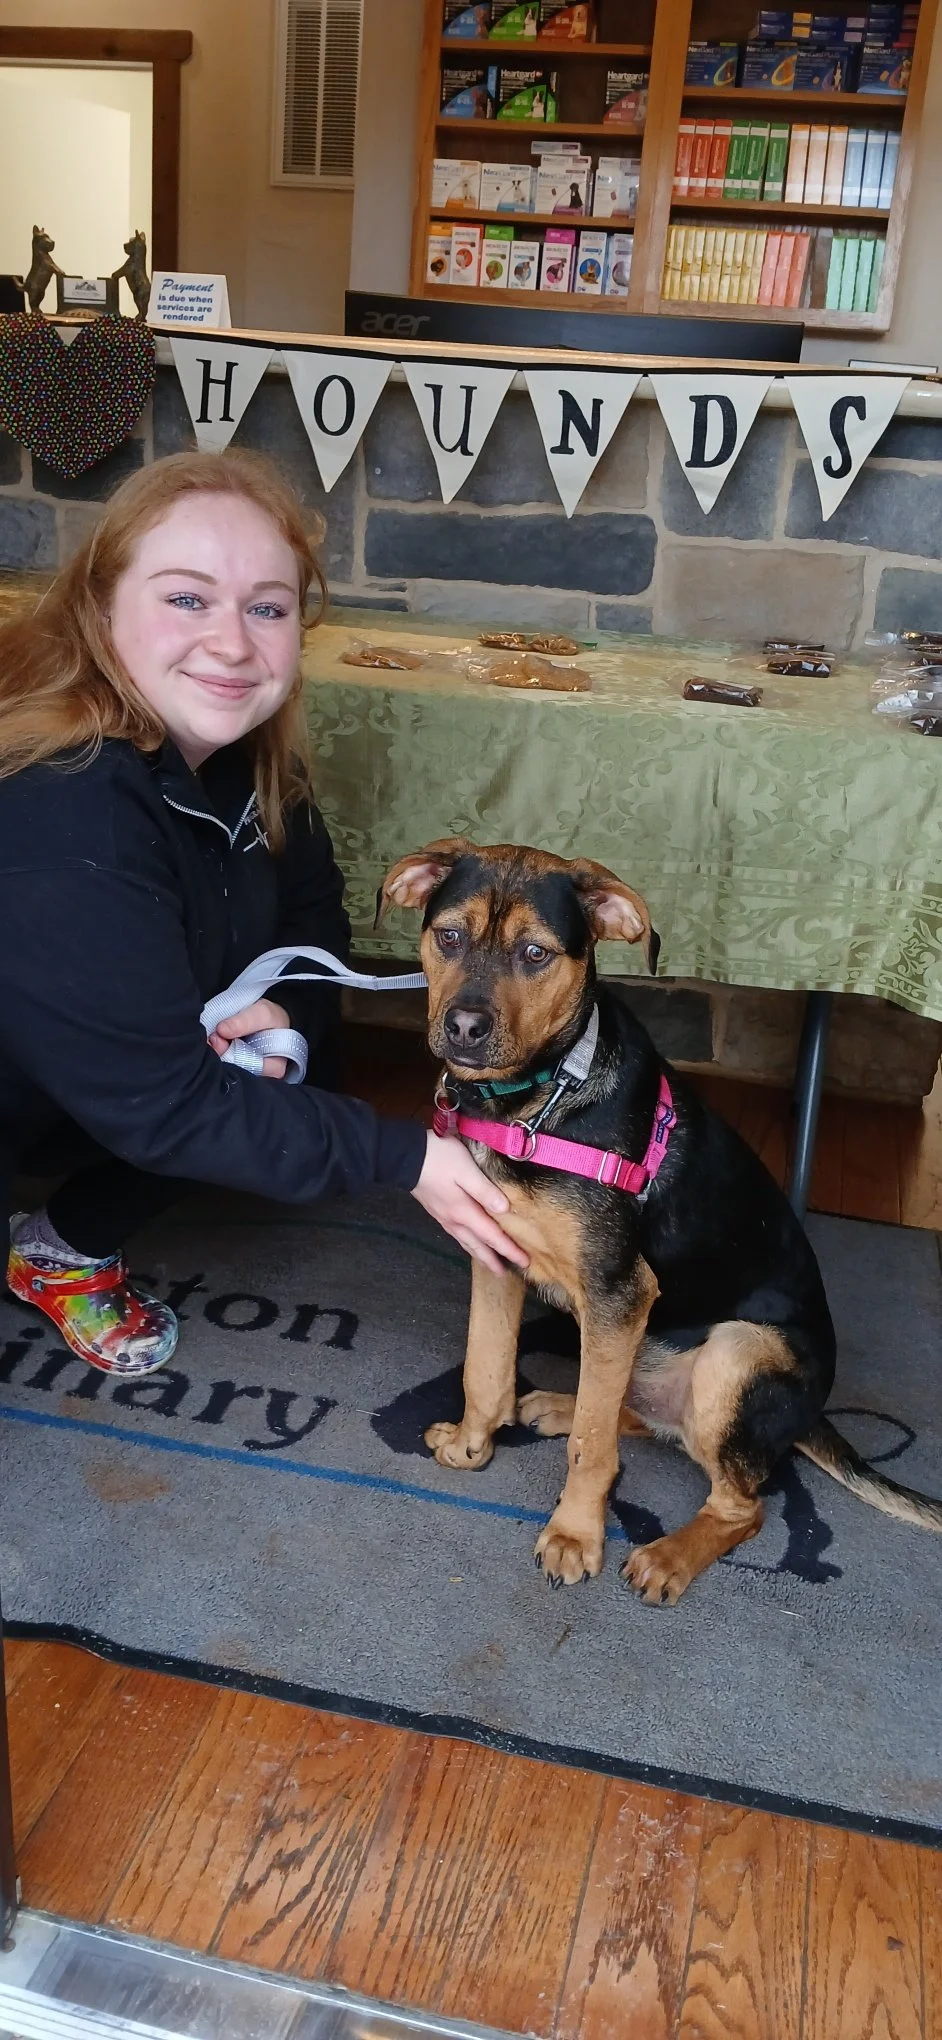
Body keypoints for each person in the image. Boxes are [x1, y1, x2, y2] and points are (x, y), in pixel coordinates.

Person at [0, 449, 526, 1378]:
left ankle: (59, 1246)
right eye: (187, 599)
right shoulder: (68, 801)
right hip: (67, 1086)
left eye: (267, 608)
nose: (235, 644)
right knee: (209, 1104)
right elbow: (163, 1106)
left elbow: (314, 921)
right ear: (100, 607)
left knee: (252, 1070)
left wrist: (286, 1017)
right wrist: (412, 1158)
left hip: (89, 1079)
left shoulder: (251, 764)